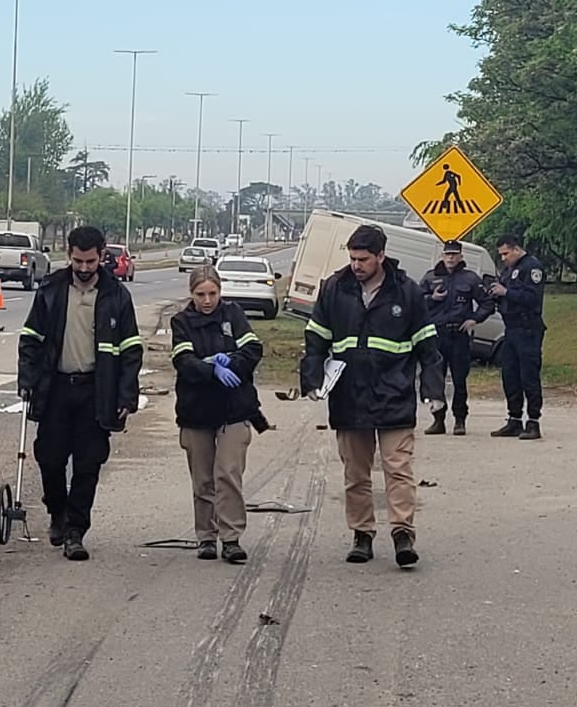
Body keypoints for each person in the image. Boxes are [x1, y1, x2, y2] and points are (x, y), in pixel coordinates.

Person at [302, 225, 444, 568]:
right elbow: (316, 338)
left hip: (394, 394)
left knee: (398, 468)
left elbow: (427, 346)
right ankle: (362, 534)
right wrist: (311, 379)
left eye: (363, 259)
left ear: (381, 256)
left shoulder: (406, 292)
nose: (356, 265)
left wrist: (433, 391)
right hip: (349, 396)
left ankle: (402, 533)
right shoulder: (335, 289)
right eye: (352, 258)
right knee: (356, 473)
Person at [17, 225, 143, 560]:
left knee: (88, 465)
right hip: (56, 389)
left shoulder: (117, 296)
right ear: (68, 255)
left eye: (90, 261)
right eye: (78, 261)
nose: (84, 268)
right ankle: (57, 511)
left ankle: (75, 531)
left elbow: (131, 350)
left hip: (96, 392)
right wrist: (27, 379)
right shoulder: (51, 290)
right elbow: (31, 339)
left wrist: (126, 396)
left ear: (102, 255)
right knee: (50, 458)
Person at [169, 266, 268, 565]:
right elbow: (184, 360)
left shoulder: (233, 315)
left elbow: (252, 349)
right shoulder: (182, 321)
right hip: (196, 410)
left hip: (234, 409)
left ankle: (231, 537)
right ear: (192, 294)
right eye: (201, 294)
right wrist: (211, 368)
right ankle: (206, 537)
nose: (207, 300)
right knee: (203, 479)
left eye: (213, 293)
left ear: (220, 292)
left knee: (228, 474)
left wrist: (232, 362)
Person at [418, 240, 493, 435]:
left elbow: (487, 303)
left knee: (460, 380)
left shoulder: (470, 279)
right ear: (442, 256)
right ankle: (438, 420)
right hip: (437, 335)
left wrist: (474, 320)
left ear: (460, 257)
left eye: (454, 254)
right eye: (447, 254)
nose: (450, 258)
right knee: (436, 380)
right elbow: (416, 303)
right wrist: (431, 298)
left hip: (459, 335)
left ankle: (460, 420)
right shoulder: (430, 277)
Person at [488, 234, 546, 440]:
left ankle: (533, 422)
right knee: (509, 375)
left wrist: (506, 293)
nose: (503, 258)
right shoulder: (509, 270)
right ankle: (514, 419)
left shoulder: (532, 267)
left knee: (528, 376)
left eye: (505, 254)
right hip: (511, 329)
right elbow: (503, 292)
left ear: (515, 249)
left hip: (528, 328)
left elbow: (532, 298)